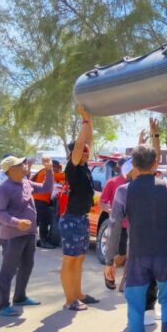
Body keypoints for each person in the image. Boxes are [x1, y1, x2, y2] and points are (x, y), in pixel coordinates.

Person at [104, 146, 167, 332]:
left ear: (134, 165)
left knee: (136, 308)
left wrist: (110, 261)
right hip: (165, 254)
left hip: (137, 258)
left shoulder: (123, 191)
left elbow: (114, 228)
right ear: (155, 164)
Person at [0, 155, 54, 316]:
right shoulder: (4, 189)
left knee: (27, 267)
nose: (25, 165)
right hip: (12, 236)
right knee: (9, 270)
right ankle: (3, 305)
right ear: (11, 170)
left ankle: (20, 297)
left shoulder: (26, 182)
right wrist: (16, 222)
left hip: (29, 233)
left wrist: (49, 170)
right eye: (21, 164)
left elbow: (46, 188)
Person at [60, 105, 99, 311]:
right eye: (82, 149)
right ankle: (69, 300)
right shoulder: (72, 167)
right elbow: (80, 145)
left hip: (81, 218)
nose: (86, 151)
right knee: (70, 260)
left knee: (80, 259)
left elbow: (88, 141)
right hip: (71, 219)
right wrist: (83, 122)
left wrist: (89, 118)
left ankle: (78, 294)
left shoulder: (83, 166)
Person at [99, 157, 129, 290]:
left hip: (133, 226)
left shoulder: (135, 182)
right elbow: (102, 202)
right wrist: (110, 210)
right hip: (118, 225)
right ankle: (110, 268)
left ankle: (123, 283)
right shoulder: (112, 183)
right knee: (122, 255)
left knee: (131, 256)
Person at [33, 158, 66, 249]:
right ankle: (44, 241)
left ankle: (39, 240)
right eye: (59, 167)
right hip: (40, 200)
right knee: (43, 221)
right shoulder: (47, 172)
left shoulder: (43, 172)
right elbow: (63, 176)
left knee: (37, 221)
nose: (60, 170)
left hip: (38, 200)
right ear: (53, 166)